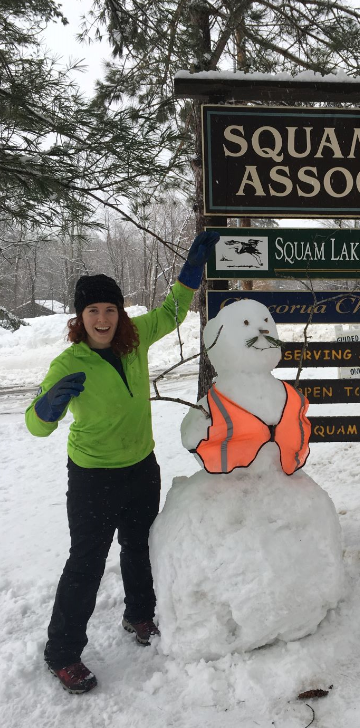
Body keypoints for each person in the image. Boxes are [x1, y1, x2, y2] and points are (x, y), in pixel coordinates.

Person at [25, 231, 220, 694]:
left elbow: (172, 313)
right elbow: (35, 424)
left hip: (139, 468)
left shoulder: (134, 342)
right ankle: (62, 652)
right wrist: (47, 407)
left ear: (119, 313)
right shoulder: (68, 363)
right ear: (80, 317)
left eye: (110, 309)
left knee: (138, 547)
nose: (102, 318)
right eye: (93, 310)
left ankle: (139, 616)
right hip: (93, 477)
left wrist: (190, 276)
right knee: (87, 563)